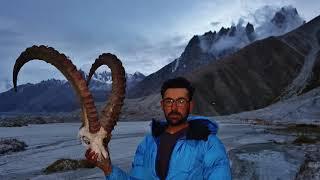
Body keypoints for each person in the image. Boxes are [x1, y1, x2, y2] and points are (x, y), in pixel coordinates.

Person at [86, 77, 232, 180]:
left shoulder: (209, 144)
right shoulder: (147, 144)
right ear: (162, 105)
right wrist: (108, 169)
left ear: (190, 105)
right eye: (169, 101)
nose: (174, 107)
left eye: (181, 101)